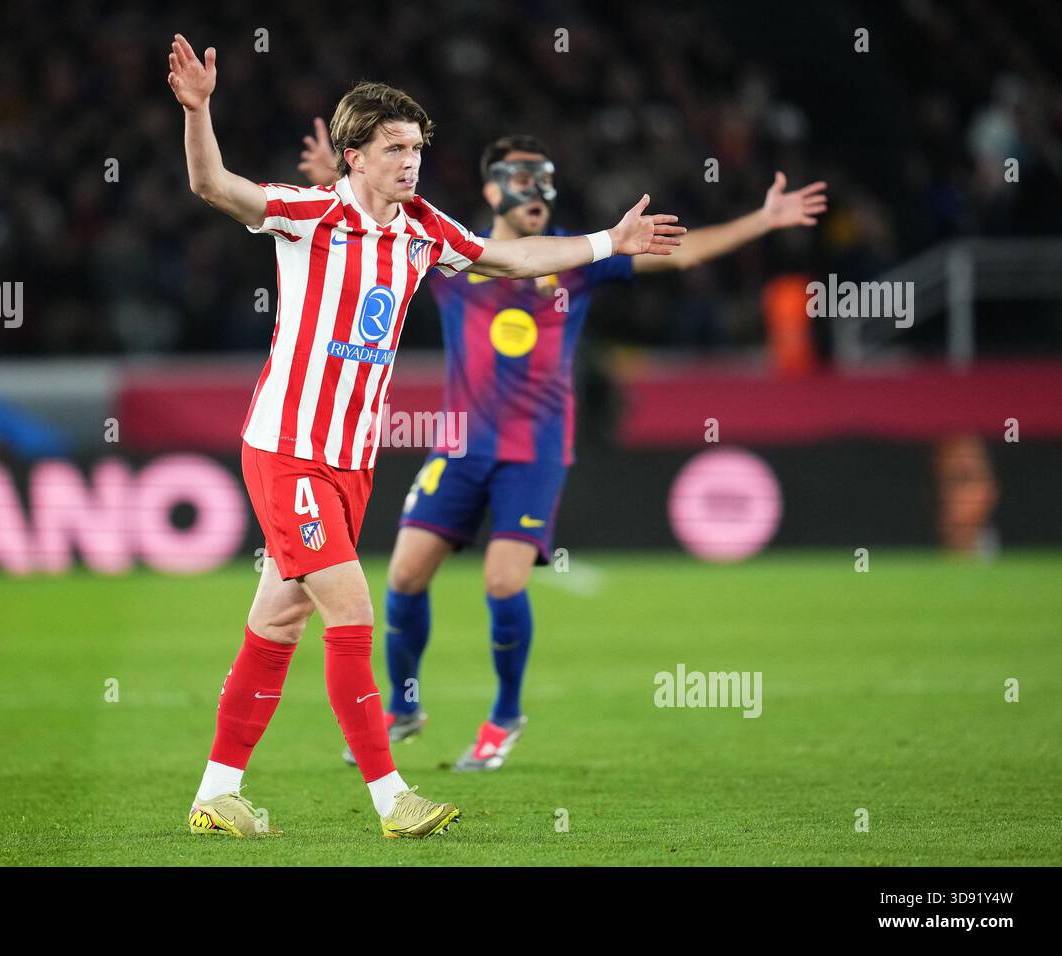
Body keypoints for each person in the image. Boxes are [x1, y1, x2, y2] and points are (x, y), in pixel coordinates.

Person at [167, 36, 686, 836]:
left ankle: (215, 792)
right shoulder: (310, 216)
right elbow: (210, 185)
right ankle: (391, 797)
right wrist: (199, 111)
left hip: (350, 462)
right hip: (288, 448)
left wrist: (604, 244)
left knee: (278, 621)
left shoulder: (420, 230)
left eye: (416, 148)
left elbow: (508, 256)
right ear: (354, 156)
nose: (410, 161)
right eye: (395, 148)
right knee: (350, 608)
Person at [297, 121, 825, 772]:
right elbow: (374, 216)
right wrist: (336, 178)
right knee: (404, 577)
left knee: (501, 580)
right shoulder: (448, 252)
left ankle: (505, 715)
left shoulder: (577, 262)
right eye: (520, 176)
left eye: (544, 176)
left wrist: (762, 221)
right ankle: (404, 705)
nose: (536, 187)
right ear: (492, 194)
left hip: (534, 451)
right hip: (459, 448)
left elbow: (682, 254)